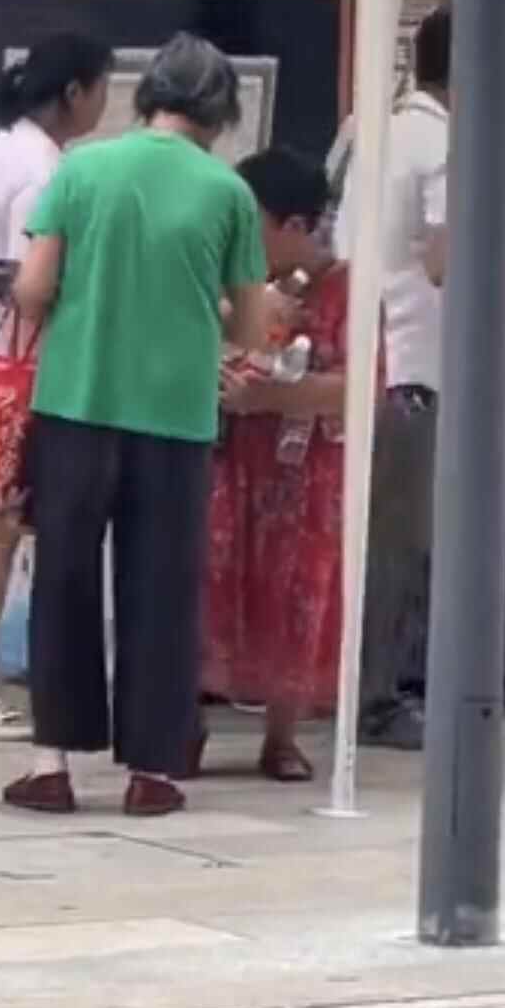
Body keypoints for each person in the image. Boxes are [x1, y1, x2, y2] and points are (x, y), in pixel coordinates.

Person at [4, 34, 268, 818]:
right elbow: (250, 328)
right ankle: (153, 772)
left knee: (64, 581)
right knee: (162, 590)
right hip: (175, 417)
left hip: (77, 403)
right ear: (220, 113)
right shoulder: (228, 193)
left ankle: (50, 765)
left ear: (146, 95)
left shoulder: (81, 170)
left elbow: (34, 288)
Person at [0, 33, 113, 741]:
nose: (104, 104)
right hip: (18, 382)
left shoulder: (8, 146)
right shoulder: (41, 169)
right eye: (101, 88)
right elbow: (25, 283)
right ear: (74, 92)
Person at [202, 148, 358, 782]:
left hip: (307, 470)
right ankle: (187, 722)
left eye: (254, 225)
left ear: (296, 225)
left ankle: (283, 735)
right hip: (232, 460)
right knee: (214, 584)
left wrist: (269, 397)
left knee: (300, 592)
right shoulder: (236, 284)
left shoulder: (348, 289)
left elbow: (360, 385)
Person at [336, 2, 451, 752]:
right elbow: (445, 258)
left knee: (363, 537)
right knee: (396, 543)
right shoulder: (444, 142)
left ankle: (356, 684)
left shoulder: (376, 129)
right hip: (412, 367)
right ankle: (376, 698)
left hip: (366, 354)